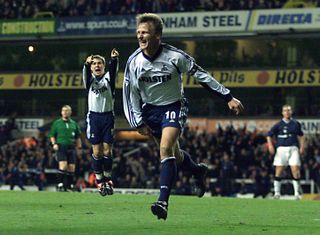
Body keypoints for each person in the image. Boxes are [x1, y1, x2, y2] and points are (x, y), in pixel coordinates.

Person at [123, 13, 244, 220]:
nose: (140, 36)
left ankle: (162, 202)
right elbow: (129, 94)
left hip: (173, 106)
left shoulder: (175, 56)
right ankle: (197, 171)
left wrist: (228, 97)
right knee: (175, 156)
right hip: (149, 111)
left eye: (145, 33)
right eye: (138, 32)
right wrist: (137, 121)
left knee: (165, 149)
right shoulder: (134, 62)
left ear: (158, 36)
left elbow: (202, 76)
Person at [83, 48, 119, 196]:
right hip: (94, 118)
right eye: (94, 64)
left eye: (100, 63)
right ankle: (99, 181)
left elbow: (114, 70)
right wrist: (86, 64)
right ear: (91, 67)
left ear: (104, 66)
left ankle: (108, 179)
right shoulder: (89, 80)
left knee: (107, 151)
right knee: (96, 152)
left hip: (107, 117)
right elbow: (85, 72)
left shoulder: (109, 79)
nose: (97, 66)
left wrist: (114, 60)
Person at [267, 104, 304, 200]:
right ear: (282, 112)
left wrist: (302, 146)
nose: (287, 112)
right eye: (285, 110)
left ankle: (297, 193)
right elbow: (269, 135)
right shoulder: (278, 125)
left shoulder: (296, 123)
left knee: (295, 169)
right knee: (279, 170)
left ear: (291, 112)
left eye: (289, 110)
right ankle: (277, 193)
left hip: (293, 148)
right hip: (281, 149)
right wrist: (270, 145)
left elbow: (301, 135)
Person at [49, 105, 82, 191]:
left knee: (71, 168)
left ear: (70, 112)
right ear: (61, 112)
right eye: (64, 111)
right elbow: (52, 135)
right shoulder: (57, 123)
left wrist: (79, 148)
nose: (65, 112)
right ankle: (60, 184)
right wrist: (54, 144)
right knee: (63, 166)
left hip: (71, 147)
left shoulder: (74, 124)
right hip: (61, 146)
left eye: (67, 111)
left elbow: (78, 137)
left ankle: (69, 185)